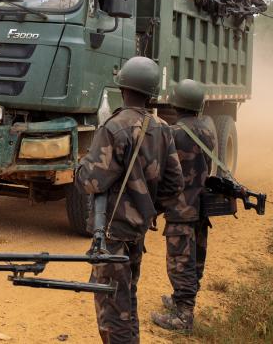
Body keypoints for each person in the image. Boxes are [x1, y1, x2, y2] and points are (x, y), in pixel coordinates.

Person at [75, 56, 188, 343]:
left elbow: (91, 181)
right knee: (127, 298)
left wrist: (79, 168)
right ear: (150, 92)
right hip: (136, 230)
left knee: (113, 306)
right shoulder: (162, 128)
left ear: (123, 86)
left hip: (112, 231)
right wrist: (147, 208)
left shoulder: (114, 127)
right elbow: (175, 183)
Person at [150, 79, 216, 333]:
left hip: (180, 208)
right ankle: (181, 301)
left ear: (176, 104)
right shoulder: (208, 130)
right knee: (196, 257)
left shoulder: (173, 133)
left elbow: (162, 174)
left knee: (180, 261)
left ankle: (183, 316)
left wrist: (154, 206)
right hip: (200, 205)